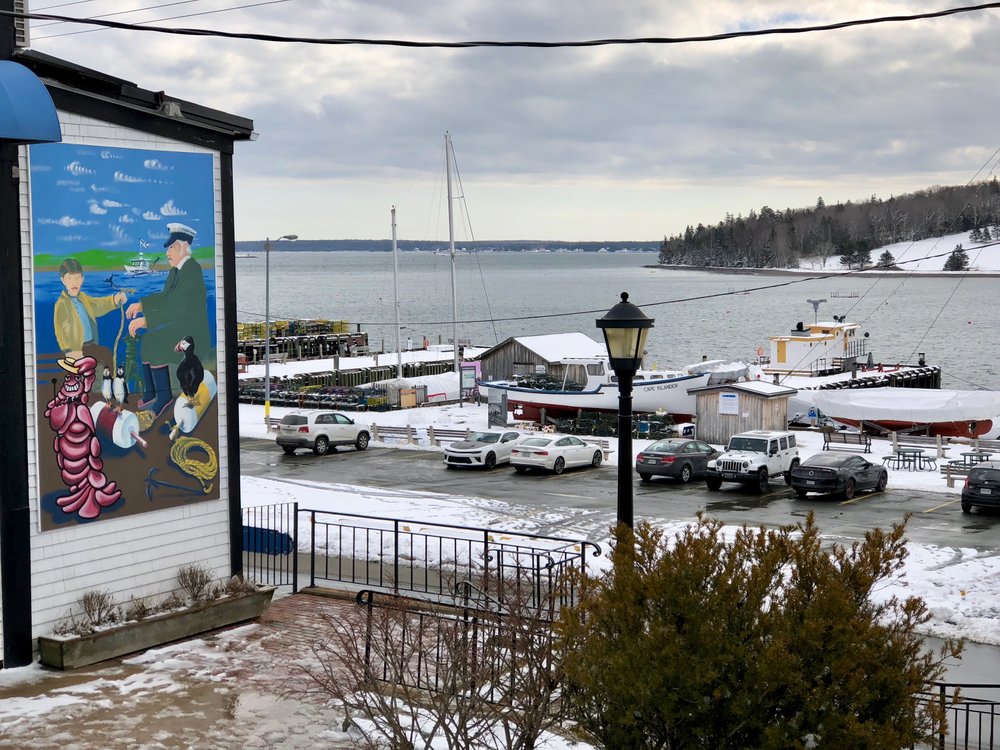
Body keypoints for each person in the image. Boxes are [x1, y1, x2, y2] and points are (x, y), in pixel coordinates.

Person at [125, 223, 211, 387]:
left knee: (153, 342)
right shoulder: (175, 271)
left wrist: (146, 321)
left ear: (184, 247)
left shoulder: (192, 270)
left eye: (171, 247)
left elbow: (179, 308)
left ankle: (163, 397)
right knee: (149, 341)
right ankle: (151, 393)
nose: (167, 253)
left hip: (192, 337)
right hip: (181, 327)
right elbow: (166, 297)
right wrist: (141, 304)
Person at [53, 257, 126, 363]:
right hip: (75, 351)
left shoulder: (83, 298)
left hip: (91, 345)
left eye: (77, 278)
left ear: (82, 279)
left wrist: (115, 300)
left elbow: (97, 305)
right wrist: (69, 351)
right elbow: (60, 330)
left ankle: (109, 379)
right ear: (63, 280)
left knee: (106, 355)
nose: (74, 282)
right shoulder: (61, 303)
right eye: (69, 278)